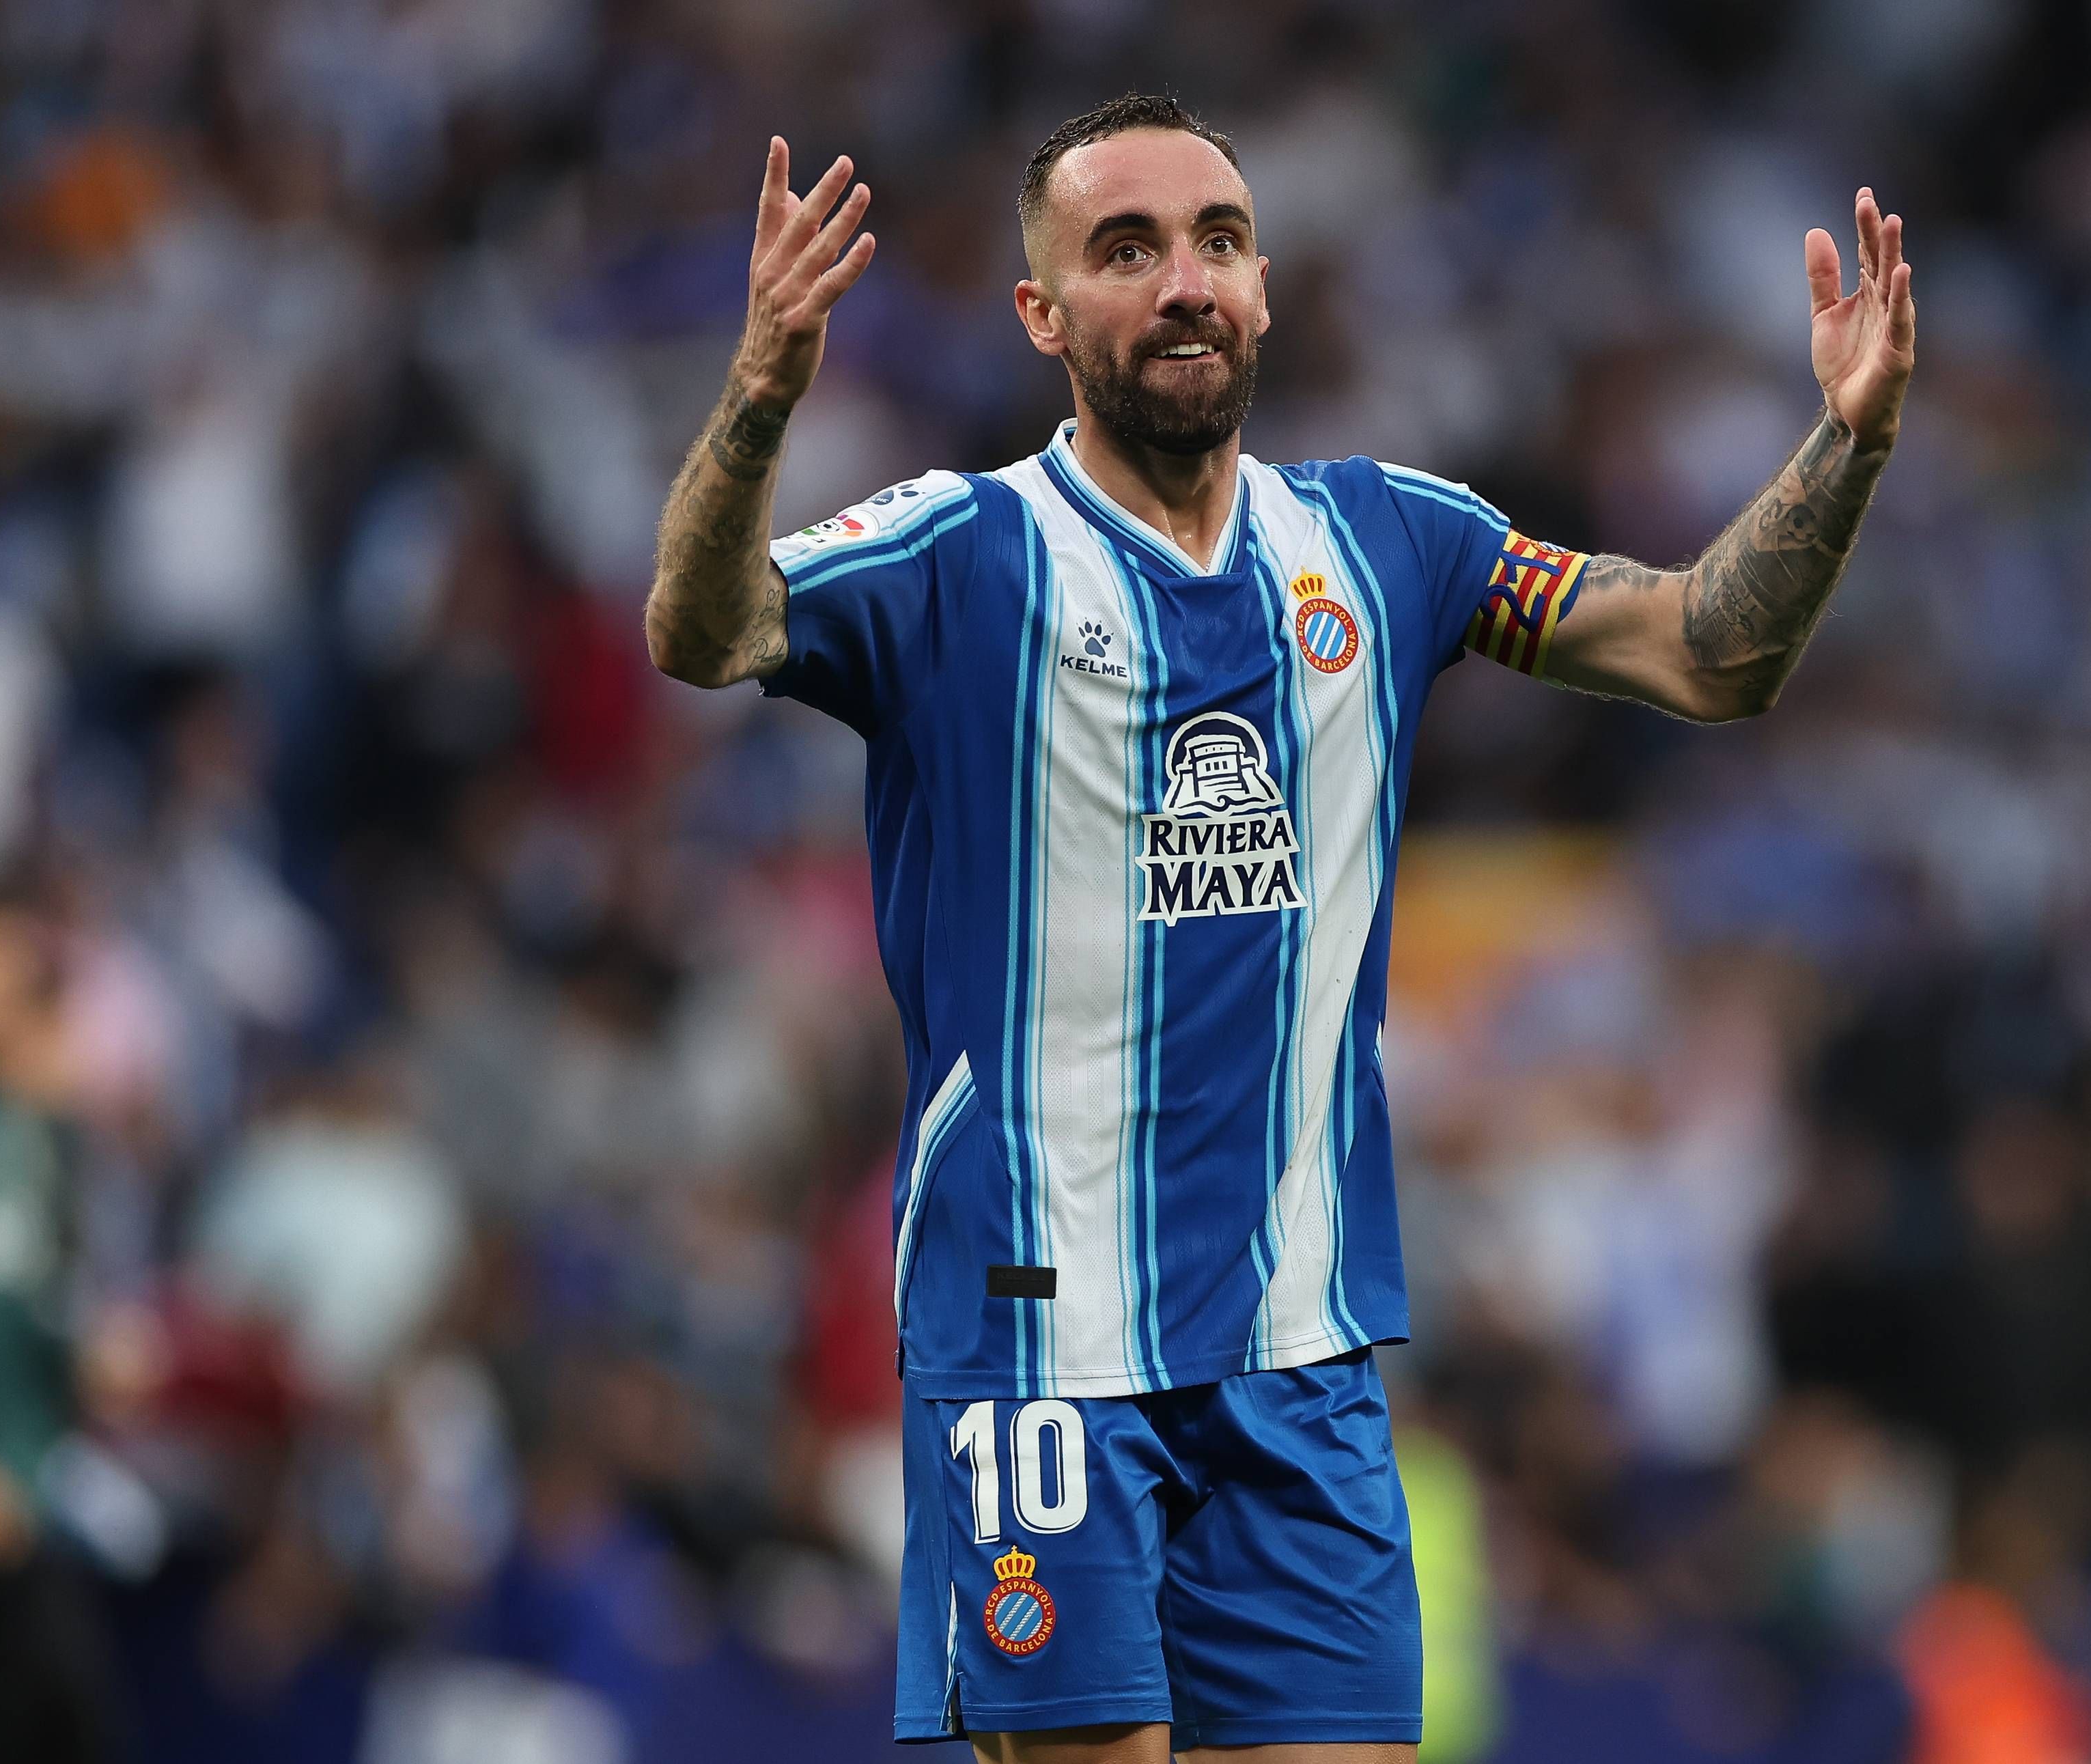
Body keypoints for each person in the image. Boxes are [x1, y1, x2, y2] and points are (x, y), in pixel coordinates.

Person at [643, 92, 1914, 1764]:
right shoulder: (961, 551)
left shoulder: (1385, 541)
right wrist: (760, 392)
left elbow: (1703, 652)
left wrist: (1850, 439)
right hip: (1041, 1339)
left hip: (1296, 1358)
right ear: (1040, 314)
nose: (1184, 280)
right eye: (1126, 248)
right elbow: (701, 626)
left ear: (1263, 289)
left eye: (1218, 241)